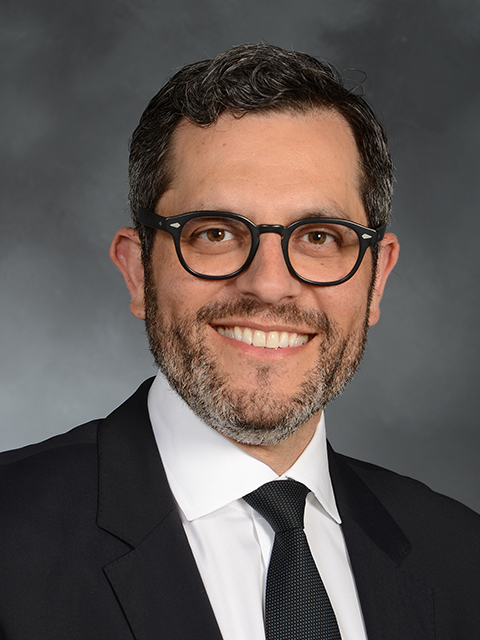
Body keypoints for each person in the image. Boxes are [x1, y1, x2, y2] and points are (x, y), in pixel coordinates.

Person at [1, 43, 479, 640]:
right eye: (216, 233)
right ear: (137, 271)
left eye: (320, 237)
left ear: (376, 278)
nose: (269, 285)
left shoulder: (461, 558)